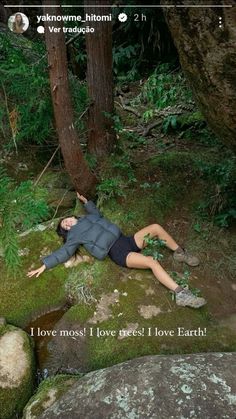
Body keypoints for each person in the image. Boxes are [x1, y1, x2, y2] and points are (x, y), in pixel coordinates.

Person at [27, 192, 206, 308]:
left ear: (72, 216)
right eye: (64, 226)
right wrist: (44, 265)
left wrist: (86, 201)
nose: (66, 223)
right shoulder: (74, 236)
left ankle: (180, 253)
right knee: (152, 261)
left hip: (126, 240)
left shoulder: (88, 218)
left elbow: (96, 213)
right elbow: (63, 253)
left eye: (65, 220)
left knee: (156, 228)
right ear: (67, 231)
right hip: (119, 253)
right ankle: (181, 294)